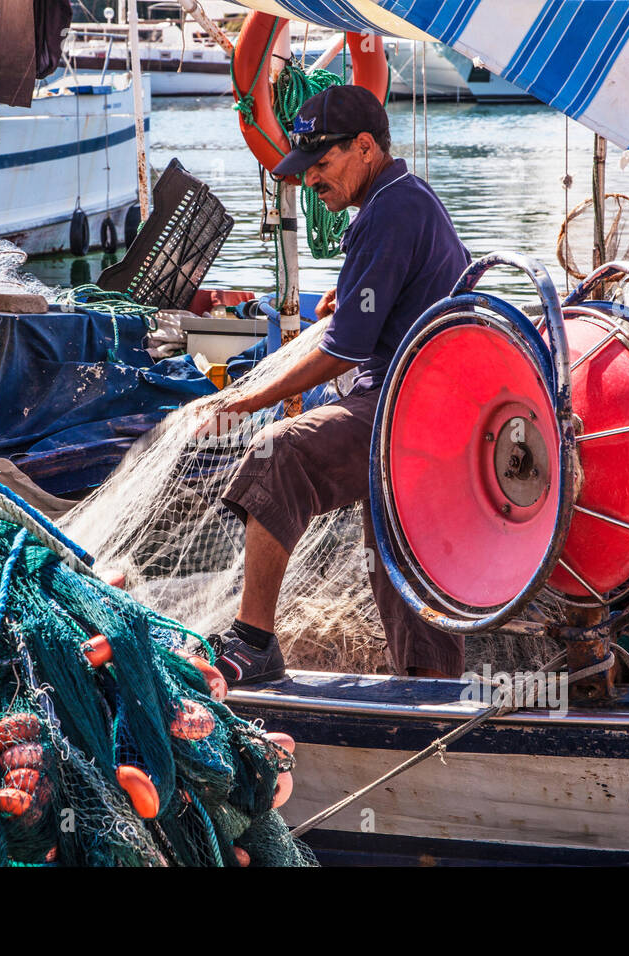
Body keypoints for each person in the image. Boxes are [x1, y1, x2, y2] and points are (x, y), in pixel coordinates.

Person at [196, 84, 471, 686]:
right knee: (397, 550)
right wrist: (350, 301)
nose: (313, 180)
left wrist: (247, 400)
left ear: (366, 147)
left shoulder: (392, 211)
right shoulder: (404, 200)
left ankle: (253, 644)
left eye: (323, 163)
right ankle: (434, 689)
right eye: (306, 167)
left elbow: (341, 351)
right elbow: (391, 301)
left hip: (410, 404)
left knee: (281, 454)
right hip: (437, 403)